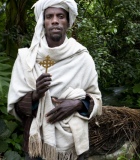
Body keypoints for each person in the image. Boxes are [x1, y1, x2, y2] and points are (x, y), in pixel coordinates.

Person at [7, 0, 102, 159]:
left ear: (68, 21)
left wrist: (78, 104)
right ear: (42, 22)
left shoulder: (82, 58)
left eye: (60, 16)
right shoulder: (27, 59)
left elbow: (96, 100)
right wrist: (36, 95)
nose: (55, 21)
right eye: (49, 16)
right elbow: (16, 107)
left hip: (72, 147)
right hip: (37, 144)